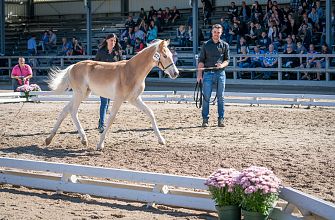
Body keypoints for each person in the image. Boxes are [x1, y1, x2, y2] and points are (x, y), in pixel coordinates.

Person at [197, 24, 230, 127]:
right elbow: (201, 60)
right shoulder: (206, 45)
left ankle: (221, 119)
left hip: (220, 73)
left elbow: (227, 60)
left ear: (221, 33)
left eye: (218, 32)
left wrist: (222, 65)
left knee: (221, 97)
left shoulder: (225, 45)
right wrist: (199, 75)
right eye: (215, 32)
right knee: (206, 97)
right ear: (212, 32)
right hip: (207, 73)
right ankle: (205, 119)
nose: (216, 34)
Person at [95, 33, 123, 133]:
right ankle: (101, 124)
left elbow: (122, 66)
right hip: (102, 81)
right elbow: (95, 65)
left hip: (114, 82)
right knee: (104, 102)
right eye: (111, 40)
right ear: (107, 40)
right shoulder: (101, 52)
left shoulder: (118, 52)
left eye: (115, 41)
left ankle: (100, 121)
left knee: (107, 103)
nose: (113, 42)